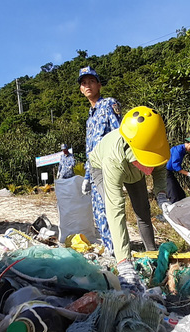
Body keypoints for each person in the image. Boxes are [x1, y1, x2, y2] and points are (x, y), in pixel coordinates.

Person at [89, 106, 171, 292]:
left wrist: (161, 196)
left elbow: (158, 169)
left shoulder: (152, 140)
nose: (149, 168)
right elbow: (115, 209)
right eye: (145, 161)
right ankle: (121, 257)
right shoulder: (114, 158)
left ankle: (151, 252)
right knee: (116, 213)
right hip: (102, 167)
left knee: (143, 210)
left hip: (134, 169)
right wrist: (125, 263)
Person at [79, 66, 120, 253]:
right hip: (94, 171)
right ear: (81, 89)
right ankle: (109, 247)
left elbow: (118, 135)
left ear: (99, 85)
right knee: (99, 211)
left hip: (108, 167)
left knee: (111, 209)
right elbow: (90, 150)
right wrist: (87, 176)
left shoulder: (109, 104)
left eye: (91, 81)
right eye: (84, 83)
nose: (88, 86)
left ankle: (118, 249)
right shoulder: (90, 117)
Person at [165, 136, 190, 203]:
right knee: (174, 195)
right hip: (164, 172)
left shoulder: (182, 150)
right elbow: (175, 166)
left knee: (181, 194)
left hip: (169, 172)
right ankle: (173, 210)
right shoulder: (178, 150)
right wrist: (188, 174)